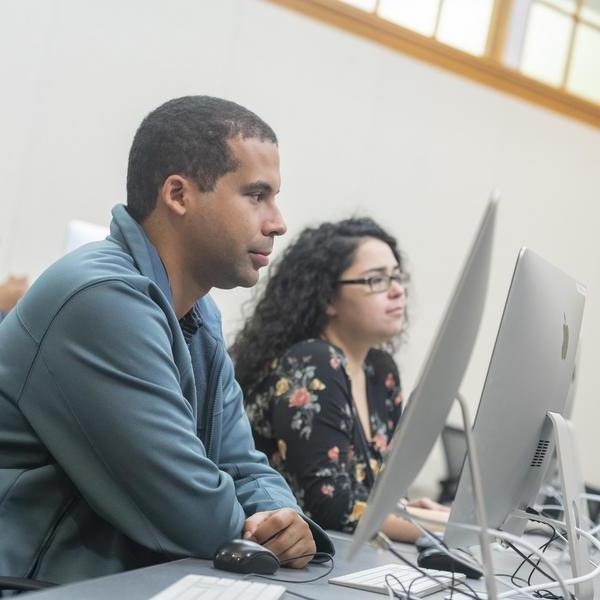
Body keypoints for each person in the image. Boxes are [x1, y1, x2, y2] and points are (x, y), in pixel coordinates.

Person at [0, 96, 332, 585]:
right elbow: (191, 515)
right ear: (178, 194)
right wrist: (259, 531)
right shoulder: (101, 299)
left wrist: (283, 519)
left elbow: (244, 466)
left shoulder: (199, 315)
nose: (277, 222)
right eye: (256, 195)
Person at [232, 218, 449, 542]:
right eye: (376, 280)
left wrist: (411, 510)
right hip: (293, 561)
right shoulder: (313, 363)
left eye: (396, 276)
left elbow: (373, 496)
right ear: (328, 298)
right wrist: (451, 524)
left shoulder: (380, 372)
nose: (396, 290)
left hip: (347, 557)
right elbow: (333, 511)